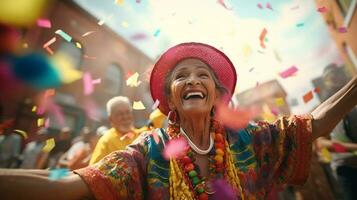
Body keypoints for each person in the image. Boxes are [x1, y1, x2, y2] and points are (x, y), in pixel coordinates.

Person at [0, 42, 357, 200]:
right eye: (181, 76)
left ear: (216, 94)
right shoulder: (147, 151)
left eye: (202, 74)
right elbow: (68, 183)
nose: (192, 80)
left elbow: (313, 125)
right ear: (171, 98)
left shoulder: (248, 137)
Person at [316, 64, 357, 200]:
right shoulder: (324, 110)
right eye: (329, 77)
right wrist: (355, 149)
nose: (334, 79)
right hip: (346, 170)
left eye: (336, 74)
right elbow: (322, 143)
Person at [89, 96, 147, 164]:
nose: (125, 117)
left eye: (128, 112)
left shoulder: (141, 135)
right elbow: (93, 169)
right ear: (111, 119)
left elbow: (156, 121)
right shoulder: (107, 141)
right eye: (120, 114)